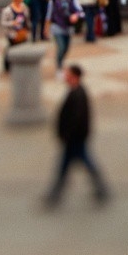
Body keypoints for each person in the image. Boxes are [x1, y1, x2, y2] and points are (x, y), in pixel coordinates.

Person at [45, 65, 110, 207]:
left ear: (74, 76)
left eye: (67, 74)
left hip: (75, 139)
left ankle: (54, 194)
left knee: (75, 164)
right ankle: (55, 193)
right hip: (74, 138)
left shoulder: (78, 94)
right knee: (68, 165)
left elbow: (77, 119)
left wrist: (67, 135)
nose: (64, 76)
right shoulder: (76, 91)